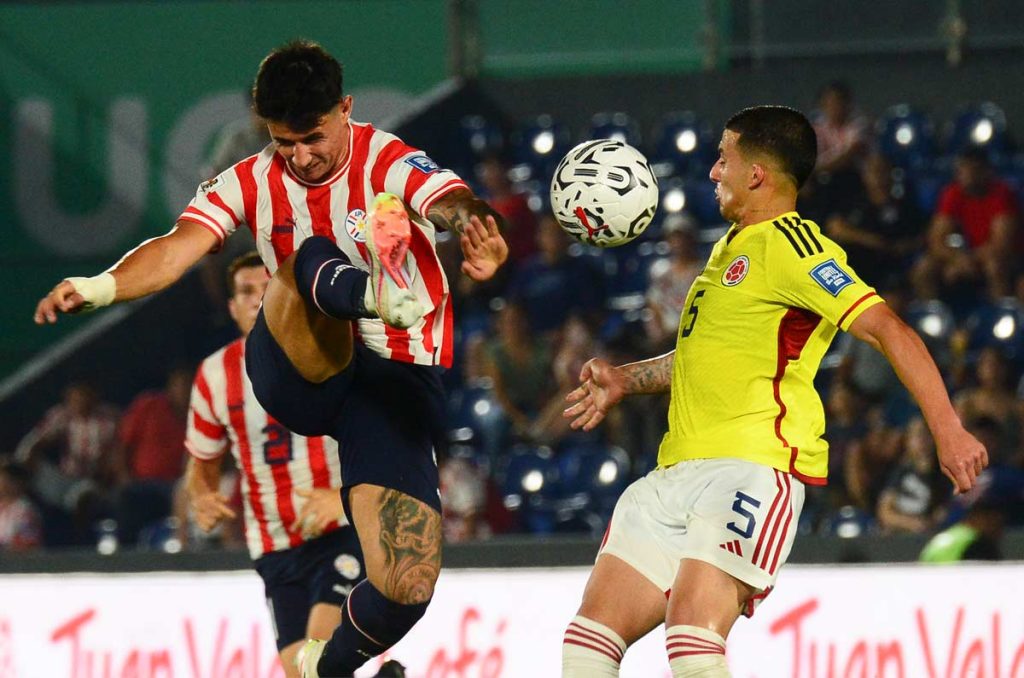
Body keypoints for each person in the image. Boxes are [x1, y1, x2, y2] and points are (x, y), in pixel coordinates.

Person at [34, 40, 508, 678]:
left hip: (393, 378)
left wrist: (477, 227)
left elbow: (451, 201)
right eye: (285, 142)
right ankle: (374, 290)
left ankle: (324, 667)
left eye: (312, 137)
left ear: (346, 108)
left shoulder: (388, 159)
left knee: (407, 584)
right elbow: (176, 249)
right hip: (296, 360)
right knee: (308, 255)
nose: (301, 157)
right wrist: (97, 287)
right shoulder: (252, 180)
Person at [560, 105, 987, 678]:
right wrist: (626, 378)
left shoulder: (796, 247)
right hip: (674, 473)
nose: (712, 171)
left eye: (723, 158)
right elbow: (698, 359)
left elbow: (888, 328)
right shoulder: (729, 249)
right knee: (587, 640)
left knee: (692, 637)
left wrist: (948, 428)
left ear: (756, 173)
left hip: (751, 469)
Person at [183, 252, 398, 677]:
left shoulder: (329, 346)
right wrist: (201, 494)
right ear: (230, 307)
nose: (255, 299)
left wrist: (343, 502)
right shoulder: (214, 374)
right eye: (245, 292)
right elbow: (202, 461)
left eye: (265, 288)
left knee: (316, 655)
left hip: (339, 529)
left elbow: (386, 434)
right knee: (300, 671)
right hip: (275, 546)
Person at [911, 146, 1020, 301]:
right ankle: (932, 316)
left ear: (986, 171)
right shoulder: (953, 193)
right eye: (963, 170)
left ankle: (999, 316)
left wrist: (969, 260)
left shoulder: (1001, 194)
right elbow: (936, 239)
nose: (968, 175)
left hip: (999, 257)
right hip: (964, 256)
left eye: (974, 170)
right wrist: (957, 259)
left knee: (994, 265)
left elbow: (1001, 244)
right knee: (924, 268)